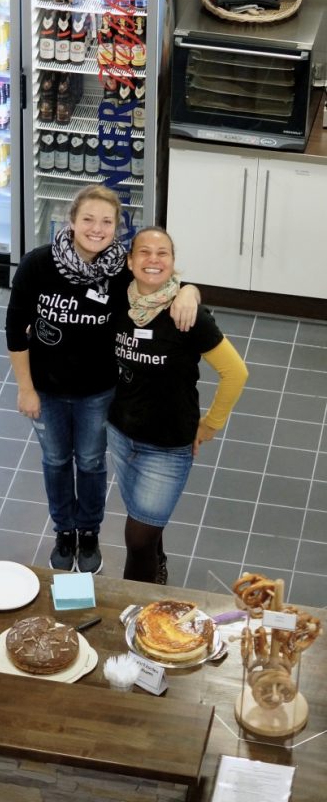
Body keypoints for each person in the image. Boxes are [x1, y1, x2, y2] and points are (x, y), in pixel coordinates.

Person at [5, 186, 200, 574]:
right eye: (89, 219)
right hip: (46, 389)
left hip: (98, 392)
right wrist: (25, 388)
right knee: (56, 460)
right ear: (72, 221)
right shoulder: (37, 265)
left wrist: (190, 291)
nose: (97, 228)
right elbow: (14, 329)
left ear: (117, 228)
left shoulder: (119, 272)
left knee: (92, 463)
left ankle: (89, 531)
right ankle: (65, 531)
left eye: (106, 222)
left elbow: (162, 281)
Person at [107, 226, 249, 585]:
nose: (153, 260)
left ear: (173, 263)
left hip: (168, 447)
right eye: (144, 252)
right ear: (129, 261)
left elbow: (235, 372)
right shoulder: (117, 299)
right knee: (143, 517)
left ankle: (137, 618)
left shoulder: (187, 315)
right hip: (121, 435)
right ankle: (158, 559)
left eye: (162, 254)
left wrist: (210, 425)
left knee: (136, 540)